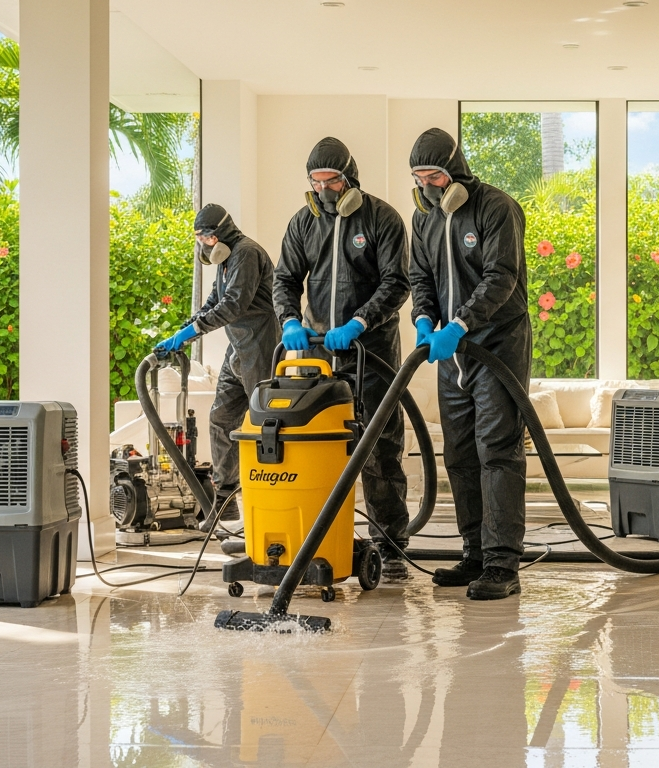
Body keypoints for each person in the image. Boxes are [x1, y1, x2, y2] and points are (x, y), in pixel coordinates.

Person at [273, 137, 412, 581]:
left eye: (331, 181)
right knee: (316, 446)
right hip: (318, 354)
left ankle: (390, 544)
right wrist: (289, 320)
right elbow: (285, 278)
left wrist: (359, 321)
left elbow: (396, 282)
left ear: (349, 179)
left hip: (371, 351)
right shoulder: (303, 223)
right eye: (315, 183)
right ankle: (317, 539)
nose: (323, 191)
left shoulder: (382, 219)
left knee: (378, 448)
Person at [408, 127, 531, 599]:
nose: (427, 187)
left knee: (497, 451)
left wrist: (459, 324)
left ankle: (502, 565)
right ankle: (475, 554)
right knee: (459, 454)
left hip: (497, 346)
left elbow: (501, 277)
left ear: (455, 171)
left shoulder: (497, 208)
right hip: (451, 352)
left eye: (435, 177)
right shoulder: (425, 219)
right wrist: (424, 318)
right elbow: (420, 276)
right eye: (419, 179)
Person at [156, 204, 280, 527]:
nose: (204, 244)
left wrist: (193, 332)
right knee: (221, 417)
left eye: (207, 237)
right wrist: (184, 330)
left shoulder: (247, 253)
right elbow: (214, 301)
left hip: (261, 347)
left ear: (221, 233)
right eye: (199, 239)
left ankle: (274, 500)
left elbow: (233, 305)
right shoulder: (225, 261)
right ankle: (225, 502)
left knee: (265, 425)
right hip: (238, 350)